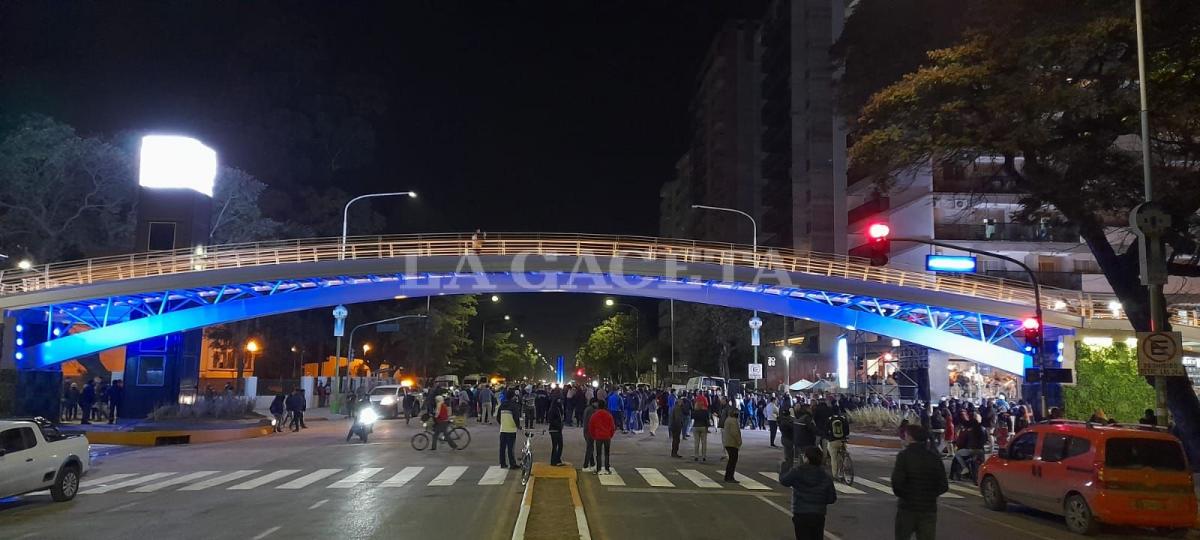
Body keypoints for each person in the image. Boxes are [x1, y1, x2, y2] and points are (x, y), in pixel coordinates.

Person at [892, 425, 948, 540]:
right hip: (928, 508)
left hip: (907, 508)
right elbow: (943, 485)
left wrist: (907, 496)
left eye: (906, 435)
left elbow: (897, 483)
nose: (905, 438)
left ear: (911, 437)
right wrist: (930, 495)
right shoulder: (934, 457)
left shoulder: (904, 456)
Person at [779, 446, 837, 540]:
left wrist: (784, 467)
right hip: (818, 514)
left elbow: (784, 481)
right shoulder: (825, 476)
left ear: (806, 458)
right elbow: (832, 498)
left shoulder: (797, 471)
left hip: (800, 512)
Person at [588, 399, 616, 475]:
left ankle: (598, 469)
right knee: (607, 453)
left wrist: (593, 435)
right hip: (607, 436)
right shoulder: (608, 415)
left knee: (598, 454)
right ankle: (607, 468)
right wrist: (611, 435)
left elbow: (591, 426)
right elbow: (612, 426)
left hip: (598, 437)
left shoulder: (595, 415)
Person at [498, 390, 521, 469]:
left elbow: (498, 418)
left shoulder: (502, 405)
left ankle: (502, 463)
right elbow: (516, 418)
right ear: (513, 397)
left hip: (503, 429)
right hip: (511, 429)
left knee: (502, 448)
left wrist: (503, 423)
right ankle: (512, 464)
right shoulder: (514, 406)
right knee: (510, 448)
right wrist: (518, 426)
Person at [825, 409, 850, 480]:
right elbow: (847, 431)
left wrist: (828, 437)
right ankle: (841, 472)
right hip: (842, 440)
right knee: (842, 456)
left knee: (834, 459)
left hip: (833, 441)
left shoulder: (829, 419)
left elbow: (825, 431)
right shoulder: (843, 419)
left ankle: (834, 475)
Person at [722, 409, 742, 483]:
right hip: (732, 443)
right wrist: (739, 441)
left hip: (728, 442)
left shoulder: (728, 420)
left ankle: (728, 476)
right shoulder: (733, 421)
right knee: (733, 461)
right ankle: (729, 477)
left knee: (731, 460)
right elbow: (735, 433)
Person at [691, 392, 711, 461]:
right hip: (703, 427)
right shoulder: (705, 411)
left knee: (696, 442)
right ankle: (704, 456)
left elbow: (692, 417)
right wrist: (707, 427)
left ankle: (696, 456)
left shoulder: (695, 411)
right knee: (704, 442)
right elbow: (707, 420)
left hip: (696, 426)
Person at [581, 398, 599, 472]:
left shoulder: (588, 409)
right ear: (593, 403)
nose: (597, 404)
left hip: (587, 431)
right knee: (590, 448)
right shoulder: (591, 410)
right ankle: (585, 466)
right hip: (589, 431)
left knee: (590, 447)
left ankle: (592, 464)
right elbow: (592, 421)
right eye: (596, 403)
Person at [548, 398, 565, 466]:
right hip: (554, 430)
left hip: (558, 429)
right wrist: (558, 425)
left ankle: (558, 459)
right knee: (555, 446)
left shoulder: (559, 409)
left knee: (560, 445)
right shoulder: (553, 409)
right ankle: (553, 461)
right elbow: (551, 420)